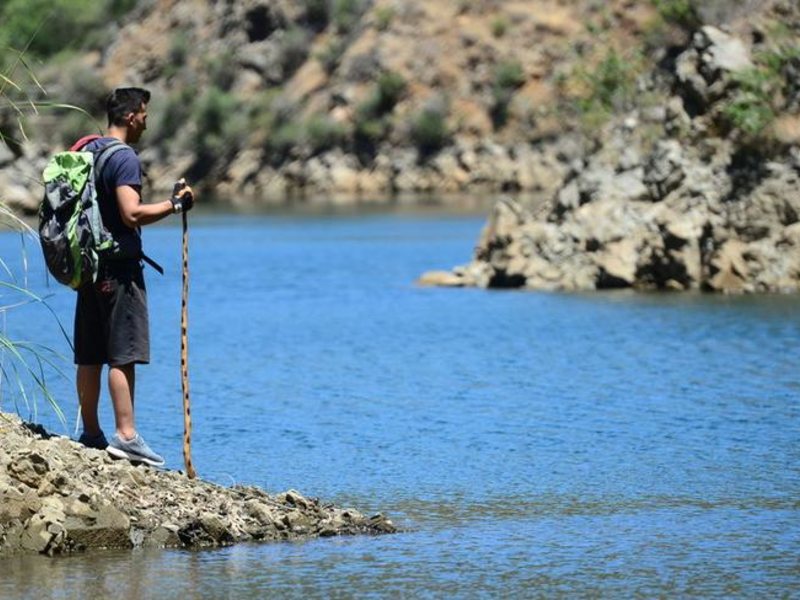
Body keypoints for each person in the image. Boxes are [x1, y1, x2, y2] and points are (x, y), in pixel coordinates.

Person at [75, 87, 194, 466]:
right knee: (122, 354)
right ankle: (126, 436)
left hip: (89, 266)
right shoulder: (124, 157)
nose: (146, 120)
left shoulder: (88, 150)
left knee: (90, 353)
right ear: (130, 116)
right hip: (118, 271)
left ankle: (90, 434)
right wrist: (175, 205)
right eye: (144, 113)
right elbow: (131, 213)